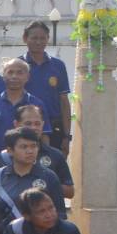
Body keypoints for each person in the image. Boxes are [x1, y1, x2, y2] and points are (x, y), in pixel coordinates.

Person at [1, 103, 75, 202]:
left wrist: (43, 184)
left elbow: (70, 192)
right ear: (16, 124)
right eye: (28, 123)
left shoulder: (55, 155)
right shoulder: (6, 155)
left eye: (37, 123)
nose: (33, 127)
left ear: (43, 124)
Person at [21, 19, 72, 154]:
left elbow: (64, 101)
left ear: (48, 39)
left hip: (55, 128)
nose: (38, 42)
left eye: (42, 38)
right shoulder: (18, 65)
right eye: (34, 38)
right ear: (25, 38)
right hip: (26, 127)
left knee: (52, 164)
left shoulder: (58, 65)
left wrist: (67, 136)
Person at [0, 127, 66, 218]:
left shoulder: (49, 176)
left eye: (33, 146)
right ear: (10, 151)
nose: (30, 151)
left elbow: (60, 214)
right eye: (24, 147)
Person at [0, 58, 53, 142]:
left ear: (27, 77)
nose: (14, 76)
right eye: (10, 72)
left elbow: (44, 135)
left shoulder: (37, 105)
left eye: (19, 73)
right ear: (3, 76)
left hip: (29, 150)